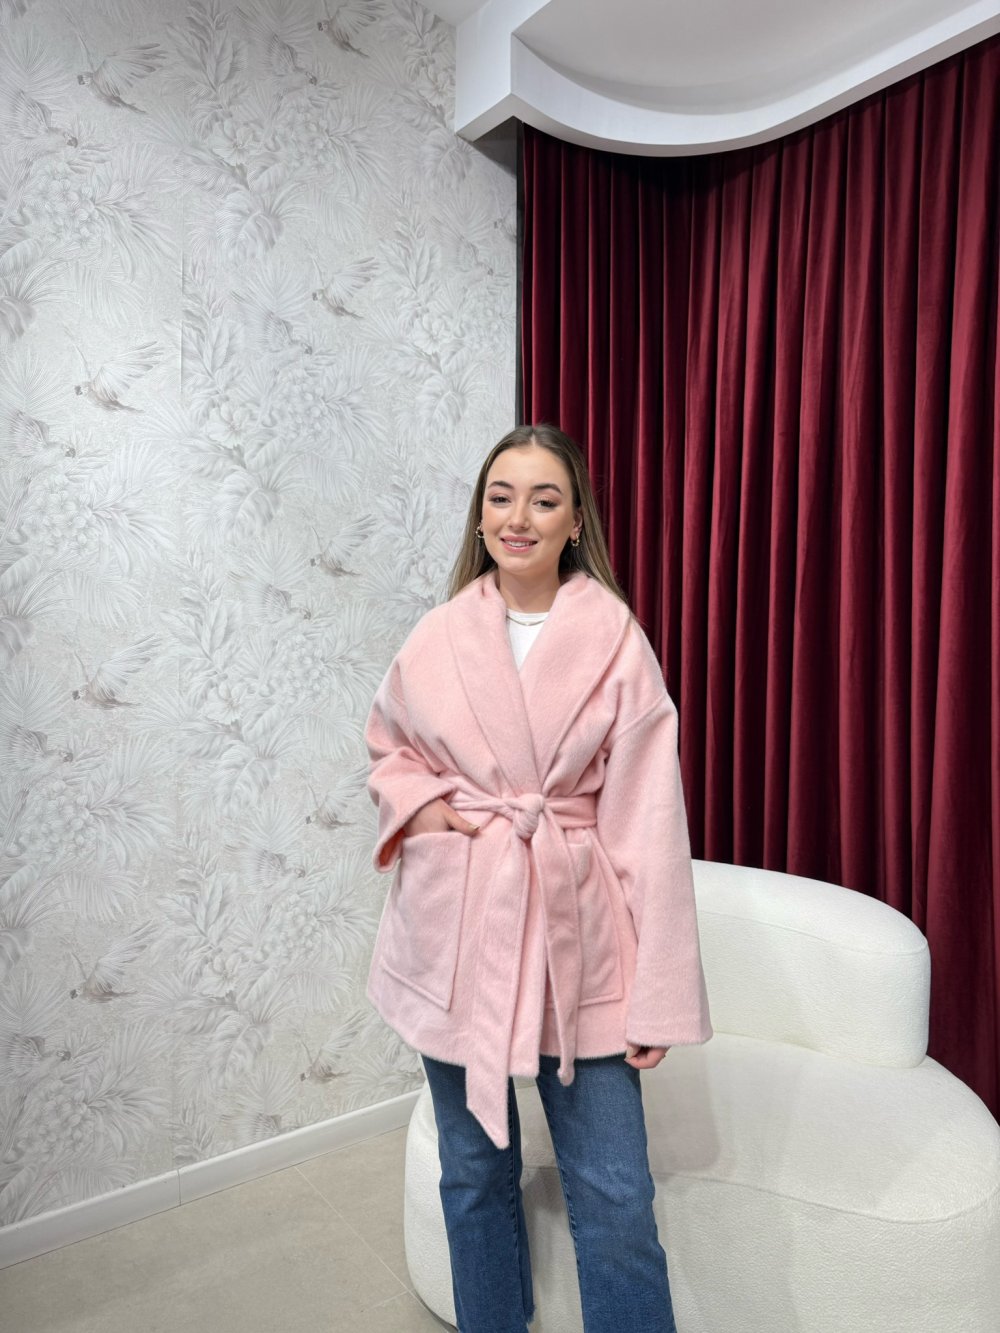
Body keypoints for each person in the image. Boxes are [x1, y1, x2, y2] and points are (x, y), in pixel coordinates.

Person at [365, 423, 712, 1333]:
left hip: (577, 936)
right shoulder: (438, 636)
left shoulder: (616, 642)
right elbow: (389, 746)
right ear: (481, 518)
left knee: (617, 1193)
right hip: (459, 928)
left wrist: (659, 995)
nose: (519, 517)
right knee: (473, 1173)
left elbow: (649, 821)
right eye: (501, 496)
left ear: (574, 521)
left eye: (544, 499)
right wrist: (422, 809)